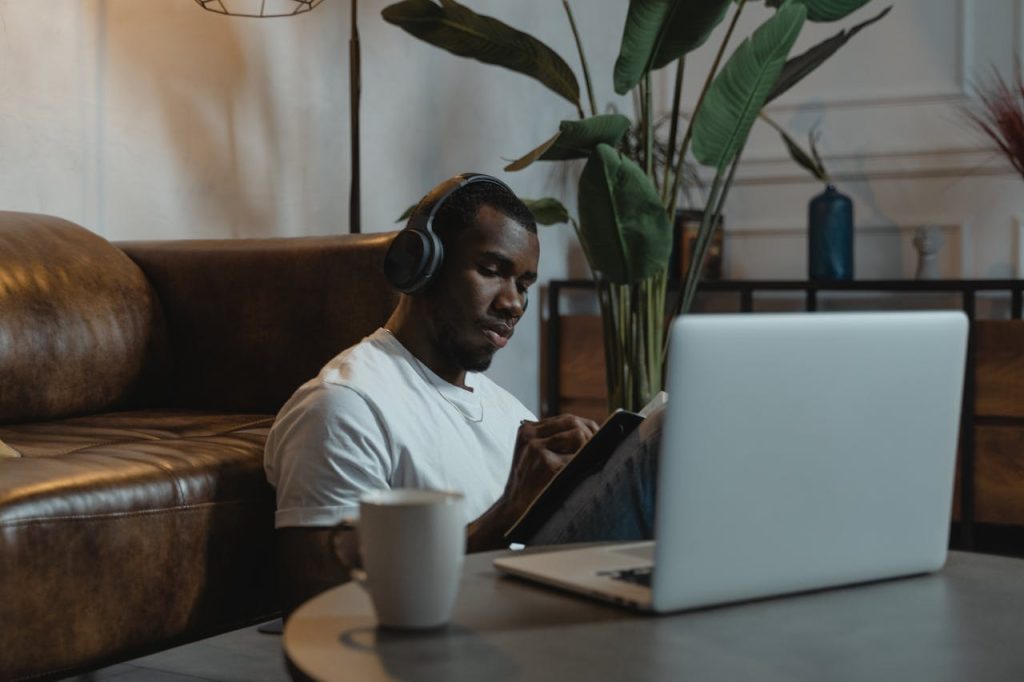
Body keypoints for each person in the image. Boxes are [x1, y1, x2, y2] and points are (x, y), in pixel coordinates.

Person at [264, 173, 660, 617]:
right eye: (492, 271)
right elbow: (323, 609)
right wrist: (509, 512)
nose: (512, 303)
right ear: (421, 264)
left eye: (524, 285)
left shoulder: (510, 412)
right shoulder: (343, 406)